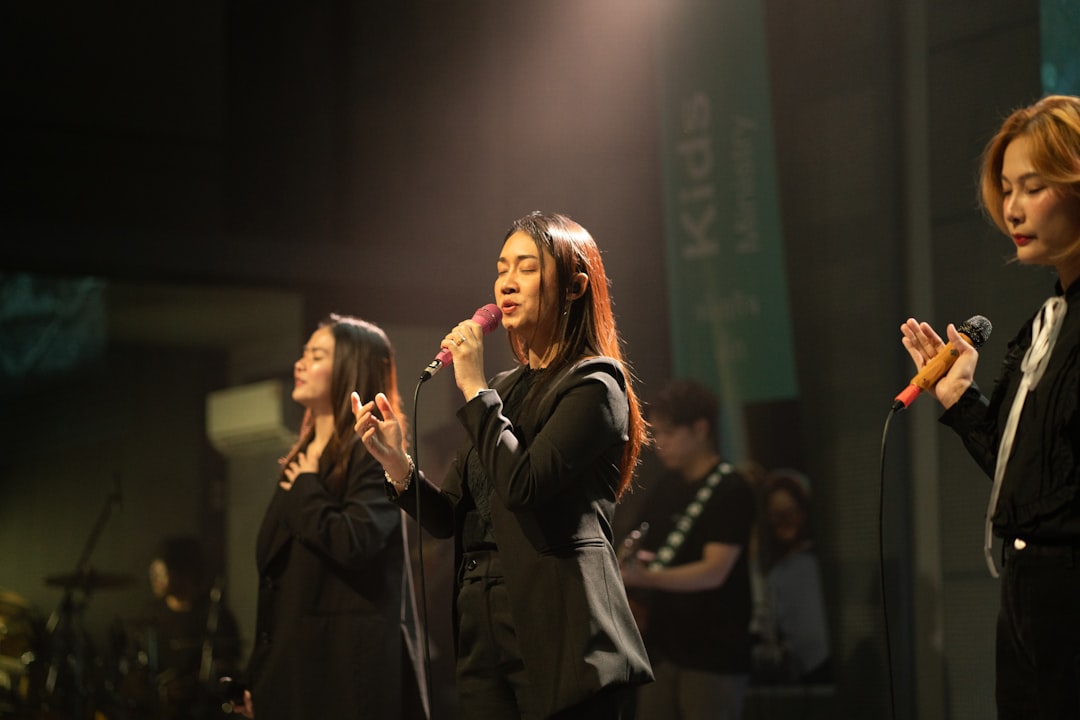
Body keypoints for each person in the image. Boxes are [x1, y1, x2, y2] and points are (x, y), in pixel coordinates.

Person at [353, 210, 653, 719]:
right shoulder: (503, 388)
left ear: (576, 285)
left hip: (560, 622)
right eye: (501, 267)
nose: (507, 283)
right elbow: (449, 516)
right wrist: (396, 463)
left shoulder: (596, 386)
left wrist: (473, 387)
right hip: (481, 618)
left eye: (527, 268)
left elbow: (525, 485)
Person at [900, 94, 1080, 718]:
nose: (1012, 207)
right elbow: (1025, 476)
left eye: (1033, 186)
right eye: (1006, 188)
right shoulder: (1042, 326)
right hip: (1027, 593)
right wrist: (960, 401)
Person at [234, 314, 427, 720]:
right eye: (303, 354)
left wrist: (306, 486)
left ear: (350, 369)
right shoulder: (301, 459)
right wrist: (261, 680)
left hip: (341, 683)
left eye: (317, 355)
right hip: (294, 680)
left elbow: (355, 541)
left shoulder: (369, 450)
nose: (299, 365)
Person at [619, 378, 756, 720]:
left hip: (714, 655)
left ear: (700, 429)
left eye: (668, 433)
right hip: (662, 649)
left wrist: (642, 578)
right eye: (657, 433)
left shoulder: (731, 488)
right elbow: (641, 543)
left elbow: (715, 570)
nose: (659, 443)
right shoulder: (667, 486)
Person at [111, 535, 242, 720]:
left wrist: (193, 684)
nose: (154, 578)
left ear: (185, 572)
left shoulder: (216, 617)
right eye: (152, 572)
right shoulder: (151, 614)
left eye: (161, 572)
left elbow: (228, 669)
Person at [755, 470, 832, 685]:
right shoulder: (775, 571)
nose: (784, 521)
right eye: (776, 513)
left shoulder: (818, 564)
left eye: (791, 511)